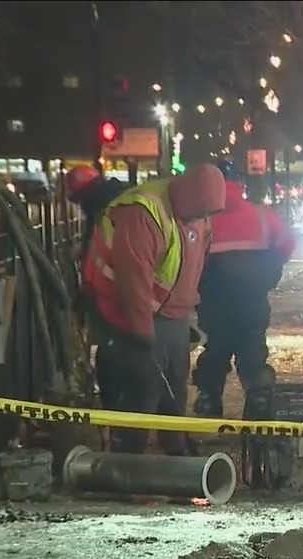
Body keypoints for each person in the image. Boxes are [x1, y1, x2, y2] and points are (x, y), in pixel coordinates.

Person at [82, 164, 226, 455]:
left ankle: (173, 450)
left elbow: (196, 264)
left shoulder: (198, 215)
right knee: (140, 390)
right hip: (123, 316)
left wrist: (184, 315)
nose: (201, 217)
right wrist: (143, 332)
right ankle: (127, 463)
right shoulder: (143, 212)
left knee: (174, 388)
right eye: (199, 211)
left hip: (166, 317)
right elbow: (132, 279)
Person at [192, 160, 296, 419]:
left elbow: (191, 258)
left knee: (215, 350)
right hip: (253, 300)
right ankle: (259, 401)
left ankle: (209, 400)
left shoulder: (203, 220)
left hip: (215, 301)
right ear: (240, 184)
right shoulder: (261, 215)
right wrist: (268, 272)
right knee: (253, 350)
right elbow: (287, 242)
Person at [64, 165, 128, 248]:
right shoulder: (115, 197)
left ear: (87, 192)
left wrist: (84, 248)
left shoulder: (105, 209)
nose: (80, 205)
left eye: (80, 198)